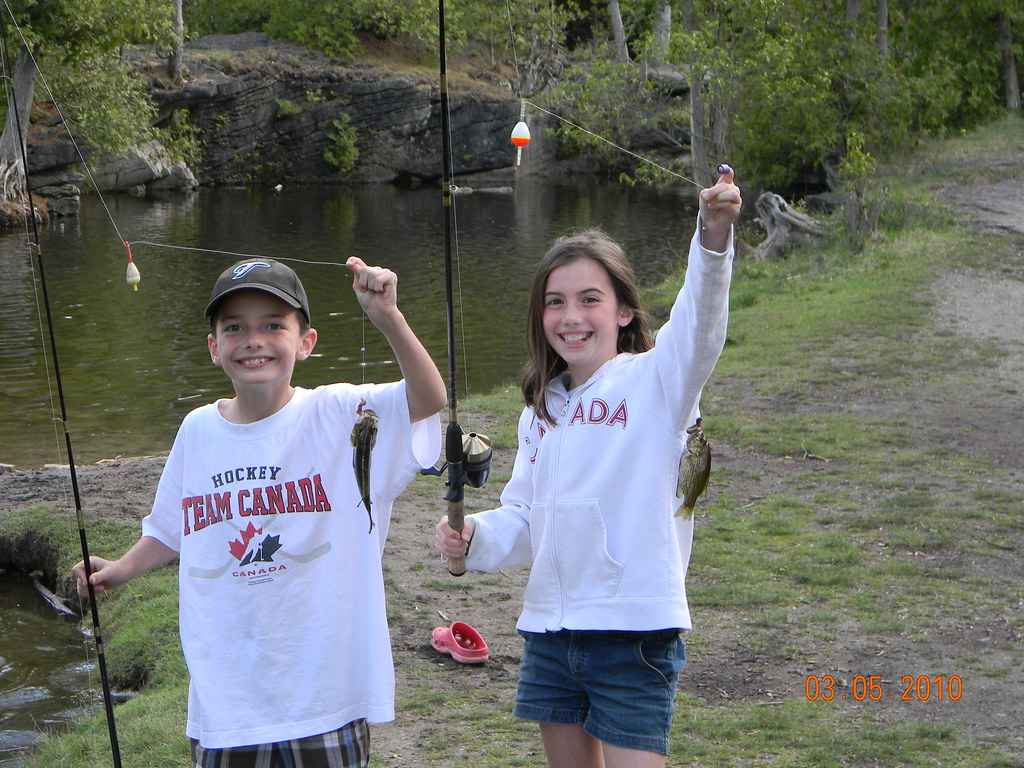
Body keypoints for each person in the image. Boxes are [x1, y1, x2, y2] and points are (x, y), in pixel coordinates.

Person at [75, 256, 446, 768]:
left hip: (325, 697)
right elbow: (172, 527)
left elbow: (429, 398)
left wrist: (388, 318)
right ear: (213, 348)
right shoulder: (197, 430)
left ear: (306, 342)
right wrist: (119, 570)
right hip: (227, 702)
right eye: (235, 328)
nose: (254, 340)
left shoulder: (341, 412)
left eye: (274, 325)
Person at [435, 167, 741, 768]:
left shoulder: (656, 382)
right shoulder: (539, 412)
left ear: (625, 311)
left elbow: (700, 329)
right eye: (555, 302)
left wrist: (712, 239)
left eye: (589, 300)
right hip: (550, 632)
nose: (570, 316)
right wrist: (474, 539)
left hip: (634, 634)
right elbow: (526, 516)